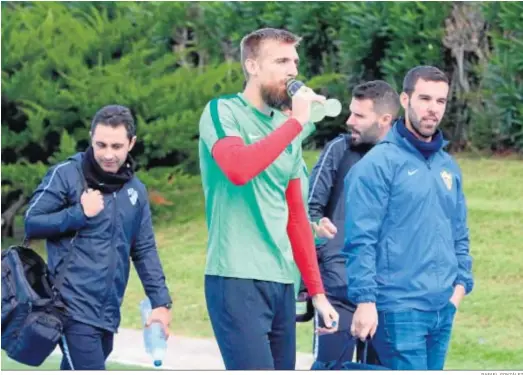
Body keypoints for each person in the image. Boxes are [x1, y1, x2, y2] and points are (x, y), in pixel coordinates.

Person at [198, 28, 339, 370]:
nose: (292, 70)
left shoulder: (283, 126)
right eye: (281, 60)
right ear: (252, 65)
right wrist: (297, 124)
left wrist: (317, 292)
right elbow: (238, 168)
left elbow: (295, 217)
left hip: (283, 283)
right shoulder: (222, 111)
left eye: (294, 61)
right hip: (235, 277)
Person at [343, 66, 474, 370]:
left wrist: (459, 288)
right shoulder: (377, 164)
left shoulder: (448, 166)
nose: (432, 109)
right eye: (425, 98)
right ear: (405, 99)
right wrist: (365, 301)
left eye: (440, 101)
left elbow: (459, 233)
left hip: (442, 308)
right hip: (398, 310)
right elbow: (360, 240)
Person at [24, 105, 173, 370]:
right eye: (100, 144)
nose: (107, 154)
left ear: (131, 143)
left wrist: (161, 303)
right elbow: (32, 222)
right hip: (68, 308)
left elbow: (144, 250)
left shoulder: (135, 191)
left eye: (116, 146)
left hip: (106, 313)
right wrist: (79, 213)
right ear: (91, 138)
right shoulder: (67, 175)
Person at [307, 81, 400, 368]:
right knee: (329, 367)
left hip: (389, 293)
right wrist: (317, 227)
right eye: (351, 113)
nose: (349, 121)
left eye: (359, 116)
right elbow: (309, 209)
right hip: (338, 289)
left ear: (384, 120)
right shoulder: (339, 149)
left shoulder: (406, 158)